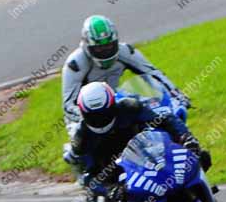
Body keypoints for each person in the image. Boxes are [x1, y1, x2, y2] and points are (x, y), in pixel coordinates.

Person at [65, 81, 211, 202]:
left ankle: (201, 197)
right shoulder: (81, 139)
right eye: (94, 116)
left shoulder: (129, 107)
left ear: (112, 105)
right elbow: (87, 177)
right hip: (116, 178)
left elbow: (165, 119)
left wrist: (186, 138)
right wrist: (109, 189)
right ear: (83, 114)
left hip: (149, 155)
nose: (99, 119)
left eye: (104, 113)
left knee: (202, 156)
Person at [62, 15, 190, 136]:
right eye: (100, 48)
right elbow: (68, 106)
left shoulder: (125, 51)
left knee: (148, 122)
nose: (106, 51)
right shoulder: (75, 64)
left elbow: (153, 73)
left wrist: (177, 94)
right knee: (87, 150)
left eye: (109, 45)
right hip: (85, 117)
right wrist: (90, 116)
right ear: (87, 45)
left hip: (113, 107)